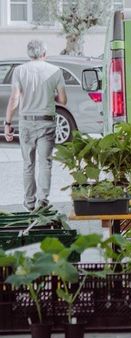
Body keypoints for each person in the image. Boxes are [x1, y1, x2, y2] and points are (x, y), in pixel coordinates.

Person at [4, 40, 66, 211]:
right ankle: (42, 201)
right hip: (46, 122)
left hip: (26, 122)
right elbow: (63, 100)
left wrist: (8, 123)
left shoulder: (19, 71)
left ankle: (29, 203)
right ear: (44, 53)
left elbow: (14, 99)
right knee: (45, 163)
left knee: (28, 164)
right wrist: (48, 97)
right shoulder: (55, 71)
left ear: (28, 53)